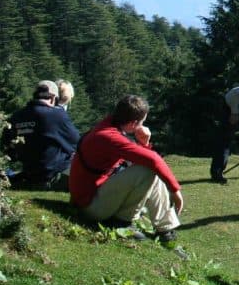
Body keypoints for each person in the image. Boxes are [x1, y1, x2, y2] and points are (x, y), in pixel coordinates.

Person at [70, 95, 183, 242]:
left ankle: (166, 229)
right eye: (142, 122)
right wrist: (175, 192)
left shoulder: (110, 125)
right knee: (147, 170)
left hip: (94, 195)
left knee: (149, 170)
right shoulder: (109, 136)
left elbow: (140, 157)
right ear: (133, 123)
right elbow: (153, 160)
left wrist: (144, 142)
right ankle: (122, 222)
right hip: (89, 206)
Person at [1, 80, 80, 190]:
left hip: (29, 175)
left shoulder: (16, 116)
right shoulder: (56, 115)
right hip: (51, 176)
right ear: (53, 98)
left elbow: (7, 148)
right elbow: (77, 143)